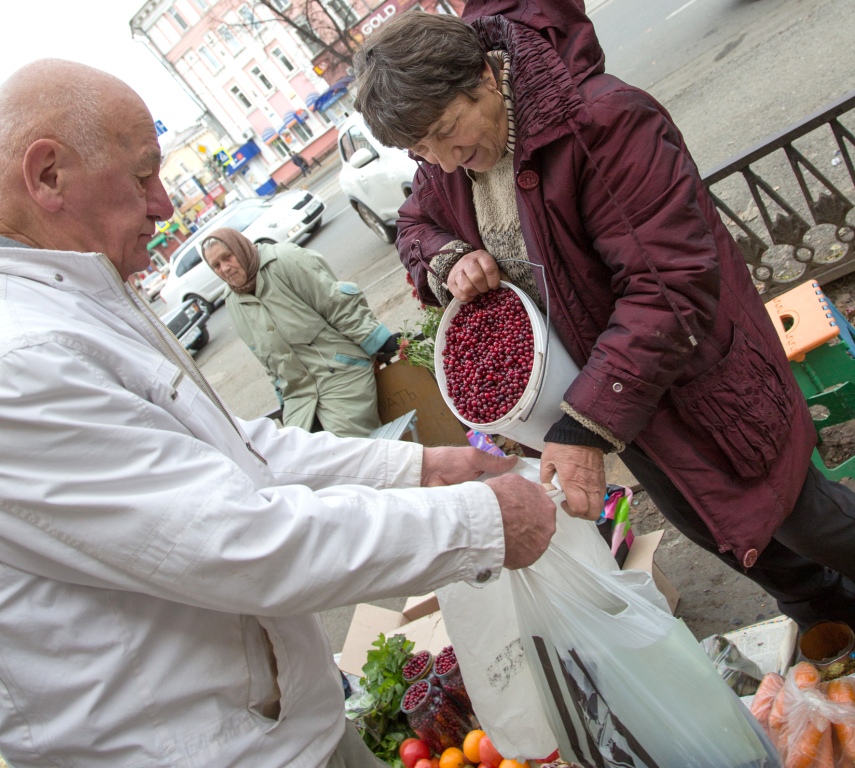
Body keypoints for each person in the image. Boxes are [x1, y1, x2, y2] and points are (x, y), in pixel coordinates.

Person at [0, 58, 557, 767]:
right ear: (48, 176)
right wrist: (483, 522)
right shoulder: (20, 360)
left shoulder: (75, 298)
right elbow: (230, 542)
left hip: (283, 730)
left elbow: (234, 451)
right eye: (143, 174)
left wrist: (417, 465)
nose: (165, 205)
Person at [352, 2, 855, 631]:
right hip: (620, 400)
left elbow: (667, 287)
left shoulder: (603, 122)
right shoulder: (448, 165)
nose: (445, 161)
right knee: (722, 532)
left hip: (700, 380)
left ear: (484, 75)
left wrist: (586, 427)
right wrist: (446, 257)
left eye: (446, 132)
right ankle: (832, 627)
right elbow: (414, 224)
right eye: (422, 150)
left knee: (807, 519)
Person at [201, 227, 399, 437]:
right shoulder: (232, 300)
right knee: (300, 459)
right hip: (299, 395)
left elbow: (335, 303)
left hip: (340, 372)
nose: (225, 268)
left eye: (227, 257)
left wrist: (377, 339)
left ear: (240, 249)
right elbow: (267, 359)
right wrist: (283, 397)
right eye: (216, 265)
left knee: (347, 449)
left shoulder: (284, 259)